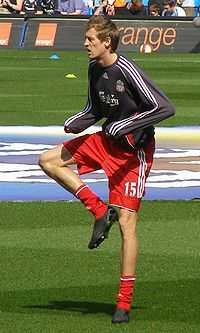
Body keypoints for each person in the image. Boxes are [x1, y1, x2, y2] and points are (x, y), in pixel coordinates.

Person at [39, 16, 175, 324]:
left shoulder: (126, 69)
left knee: (128, 226)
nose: (85, 43)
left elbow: (164, 108)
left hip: (133, 155)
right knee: (48, 160)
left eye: (90, 39)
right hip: (106, 142)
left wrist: (126, 125)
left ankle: (123, 304)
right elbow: (95, 110)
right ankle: (99, 209)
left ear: (107, 43)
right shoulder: (93, 69)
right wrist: (77, 122)